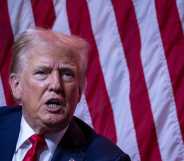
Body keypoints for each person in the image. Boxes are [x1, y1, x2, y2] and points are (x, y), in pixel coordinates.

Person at [0, 28, 131, 161]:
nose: (56, 85)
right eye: (42, 73)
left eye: (67, 74)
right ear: (17, 86)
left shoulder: (107, 158)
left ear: (79, 90)